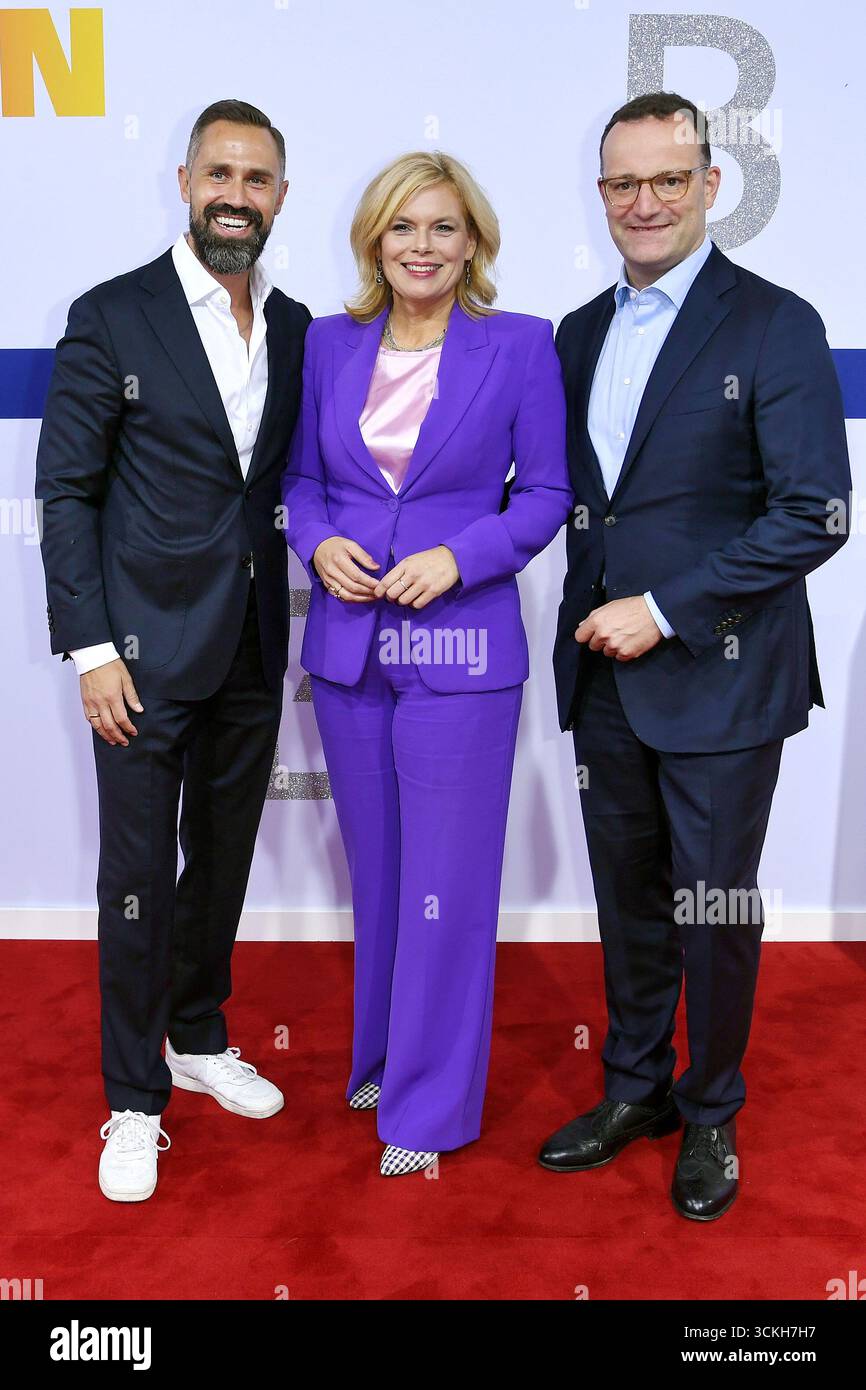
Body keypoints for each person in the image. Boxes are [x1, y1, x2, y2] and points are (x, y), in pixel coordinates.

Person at [542, 91, 851, 1220]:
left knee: (710, 907)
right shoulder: (573, 333)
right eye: (622, 182)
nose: (644, 202)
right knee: (627, 904)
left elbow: (816, 511)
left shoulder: (775, 322)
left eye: (667, 179)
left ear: (710, 186)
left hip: (720, 674)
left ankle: (709, 1110)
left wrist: (663, 607)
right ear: (600, 196)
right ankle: (637, 1092)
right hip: (601, 676)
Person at [35, 99, 310, 1202]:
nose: (235, 196)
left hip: (250, 645)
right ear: (184, 183)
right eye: (219, 174)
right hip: (138, 656)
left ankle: (197, 1037)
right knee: (139, 879)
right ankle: (132, 1100)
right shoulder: (112, 315)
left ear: (279, 197)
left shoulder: (293, 326)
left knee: (223, 861)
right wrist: (91, 648)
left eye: (257, 179)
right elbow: (66, 493)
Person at [282, 150, 572, 1176]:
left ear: (472, 242)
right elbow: (305, 482)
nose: (421, 246)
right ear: (374, 239)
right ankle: (381, 1054)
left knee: (446, 882)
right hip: (351, 648)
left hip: (461, 646)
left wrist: (460, 554)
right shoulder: (327, 342)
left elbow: (542, 496)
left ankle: (428, 1107)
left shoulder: (520, 346)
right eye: (403, 227)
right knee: (382, 874)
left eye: (443, 228)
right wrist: (313, 542)